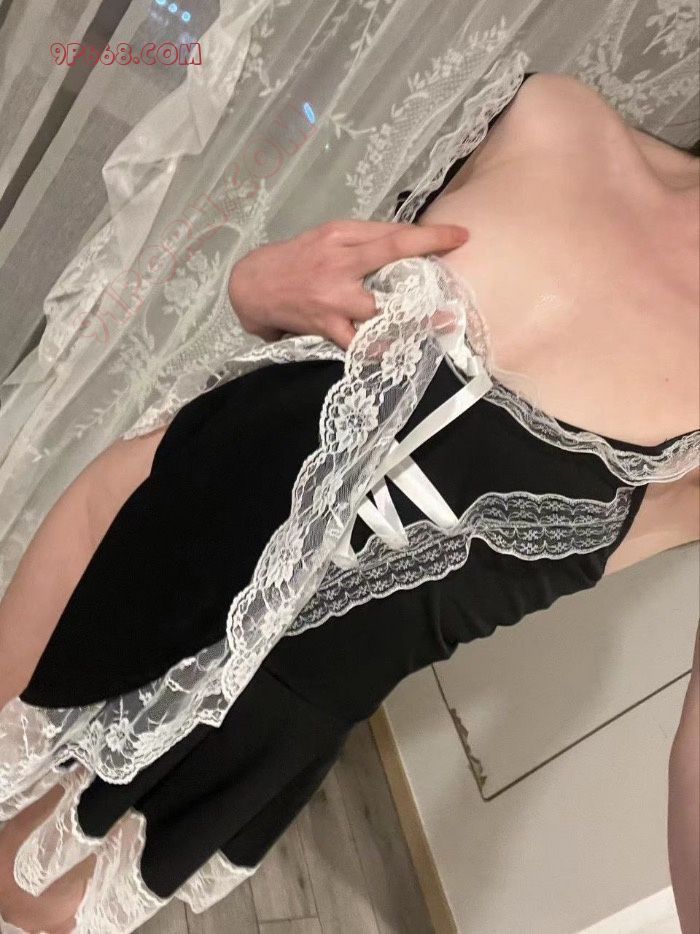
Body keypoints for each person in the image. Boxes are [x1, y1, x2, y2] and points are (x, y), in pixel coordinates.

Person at [0, 70, 698, 934]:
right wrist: (252, 288)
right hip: (140, 524)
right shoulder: (549, 113)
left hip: (255, 724)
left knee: (19, 896)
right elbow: (295, 341)